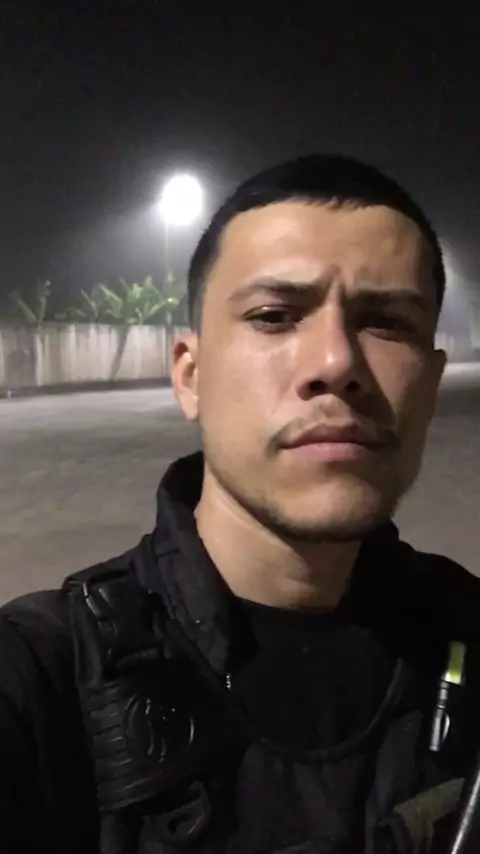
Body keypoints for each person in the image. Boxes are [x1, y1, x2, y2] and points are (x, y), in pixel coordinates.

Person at [1, 154, 480, 854]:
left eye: (384, 322)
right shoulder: (40, 683)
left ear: (431, 385)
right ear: (190, 376)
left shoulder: (464, 631)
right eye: (274, 316)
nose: (336, 364)